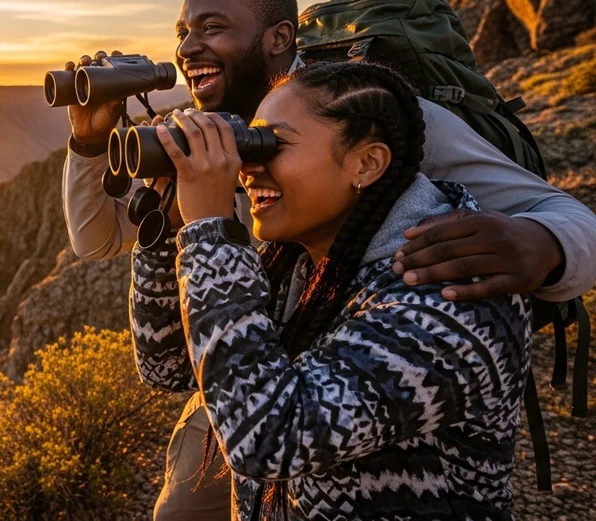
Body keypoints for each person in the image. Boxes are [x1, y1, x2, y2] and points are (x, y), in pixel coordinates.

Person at [60, 0, 596, 519]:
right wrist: (94, 147)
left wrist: (541, 245)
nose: (187, 47)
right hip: (253, 352)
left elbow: (568, 218)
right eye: (182, 32)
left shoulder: (377, 114)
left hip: (348, 366)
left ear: (278, 38)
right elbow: (102, 244)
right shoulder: (209, 133)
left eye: (211, 27)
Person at [132, 60, 530, 519]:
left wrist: (210, 232)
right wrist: (171, 226)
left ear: (366, 163)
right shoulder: (304, 265)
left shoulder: (447, 300)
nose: (247, 167)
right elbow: (169, 364)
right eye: (250, 141)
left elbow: (269, 439)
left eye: (272, 143)